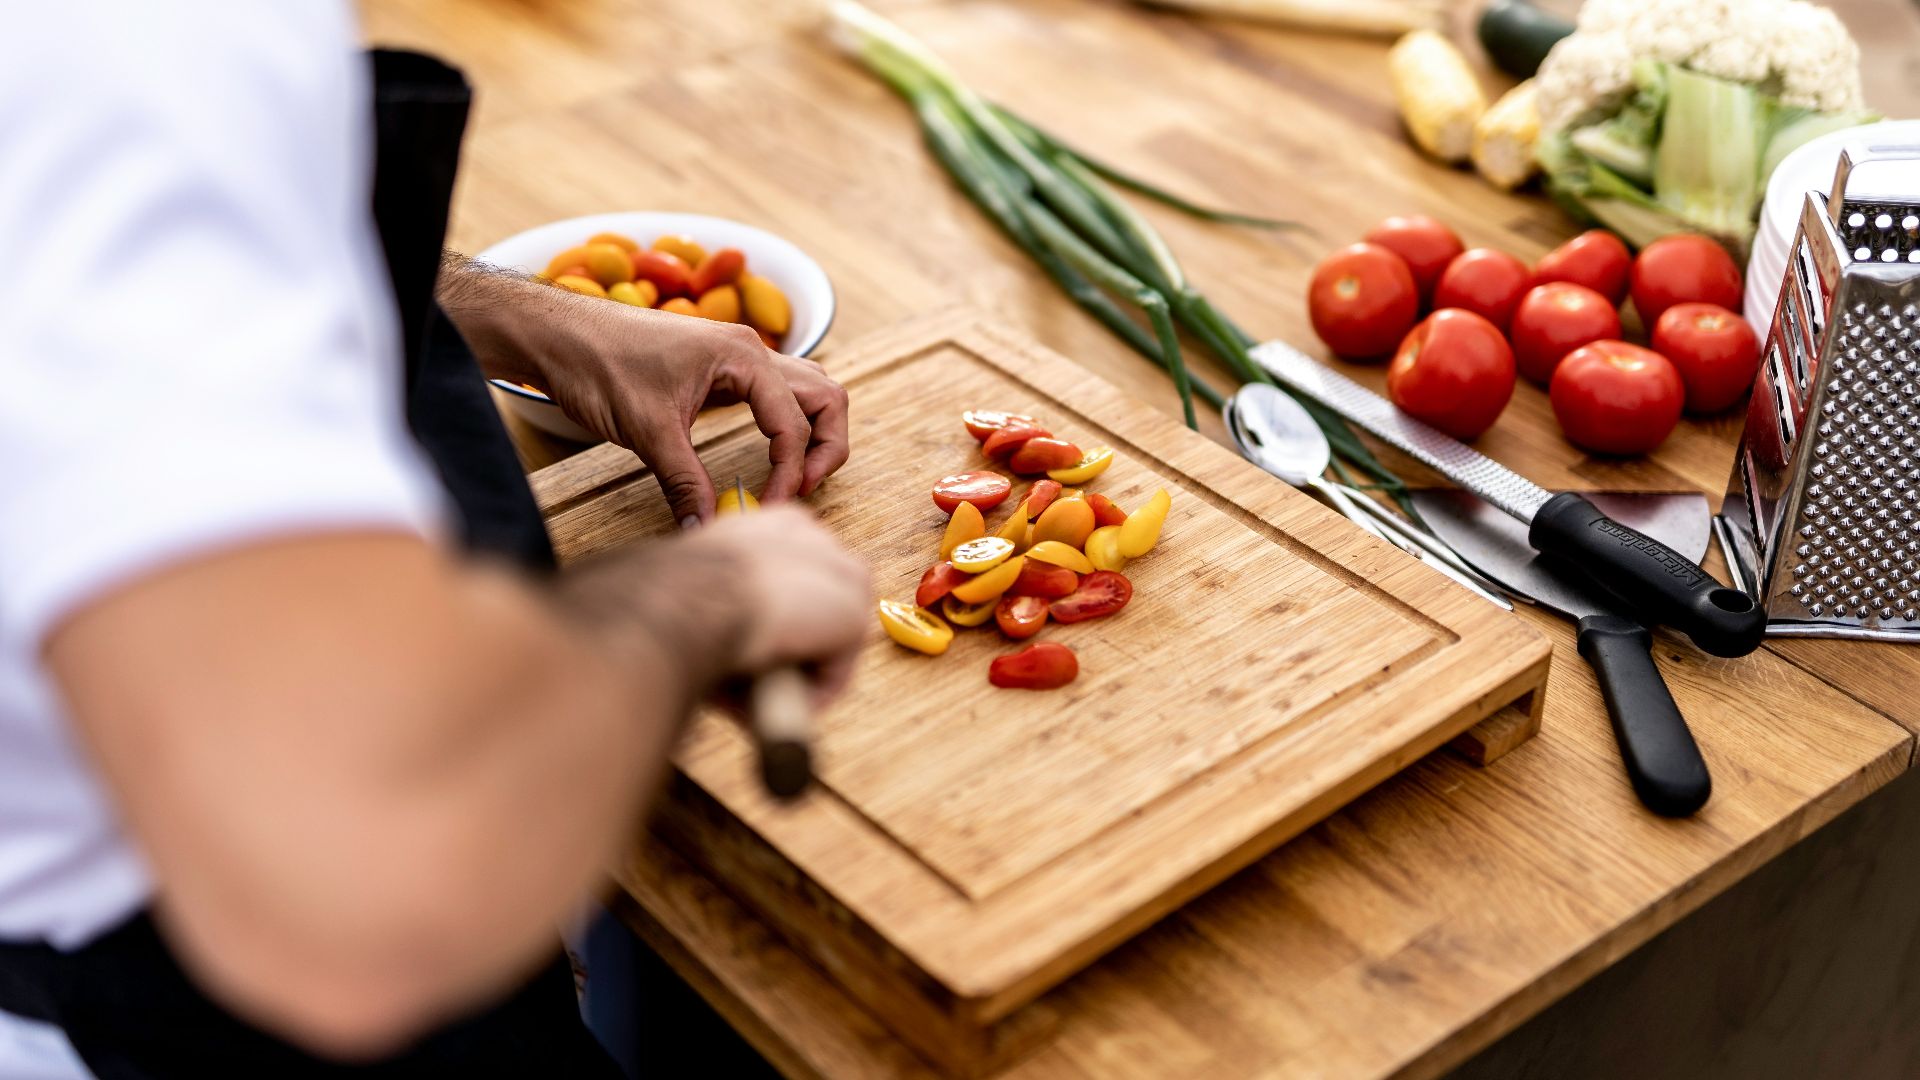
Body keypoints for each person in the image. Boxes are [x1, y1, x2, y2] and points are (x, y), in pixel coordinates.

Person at [0, 3, 869, 1076]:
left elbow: (146, 230)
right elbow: (358, 881)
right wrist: (710, 596)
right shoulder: (142, 42)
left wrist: (522, 312)